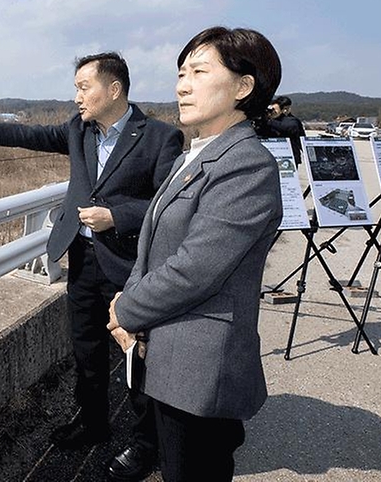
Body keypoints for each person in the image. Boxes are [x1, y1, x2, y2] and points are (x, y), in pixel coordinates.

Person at [0, 53, 183, 480]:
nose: (77, 96)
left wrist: (117, 216)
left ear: (114, 89)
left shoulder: (161, 138)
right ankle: (92, 423)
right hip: (82, 259)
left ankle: (146, 445)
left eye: (84, 86)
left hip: (127, 266)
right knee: (85, 349)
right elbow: (27, 133)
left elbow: (167, 205)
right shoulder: (77, 130)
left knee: (138, 355)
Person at [108, 27, 283, 481]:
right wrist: (131, 305)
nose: (182, 84)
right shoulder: (199, 153)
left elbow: (195, 269)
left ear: (243, 87)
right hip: (170, 358)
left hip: (201, 370)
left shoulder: (246, 164)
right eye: (181, 73)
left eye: (199, 72)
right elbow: (153, 248)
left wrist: (127, 308)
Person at [268, 95, 306, 165]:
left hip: (290, 156)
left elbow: (290, 127)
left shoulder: (292, 120)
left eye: (287, 108)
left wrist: (268, 121)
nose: (286, 111)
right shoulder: (272, 121)